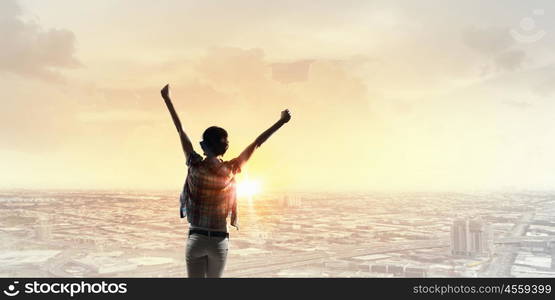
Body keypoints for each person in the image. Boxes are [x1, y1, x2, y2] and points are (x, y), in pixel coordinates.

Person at [160, 84, 291, 278]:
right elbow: (257, 143)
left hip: (196, 237)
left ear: (204, 146)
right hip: (219, 240)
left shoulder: (194, 165)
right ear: (224, 148)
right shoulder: (231, 169)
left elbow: (181, 130)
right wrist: (281, 122)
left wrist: (167, 99)